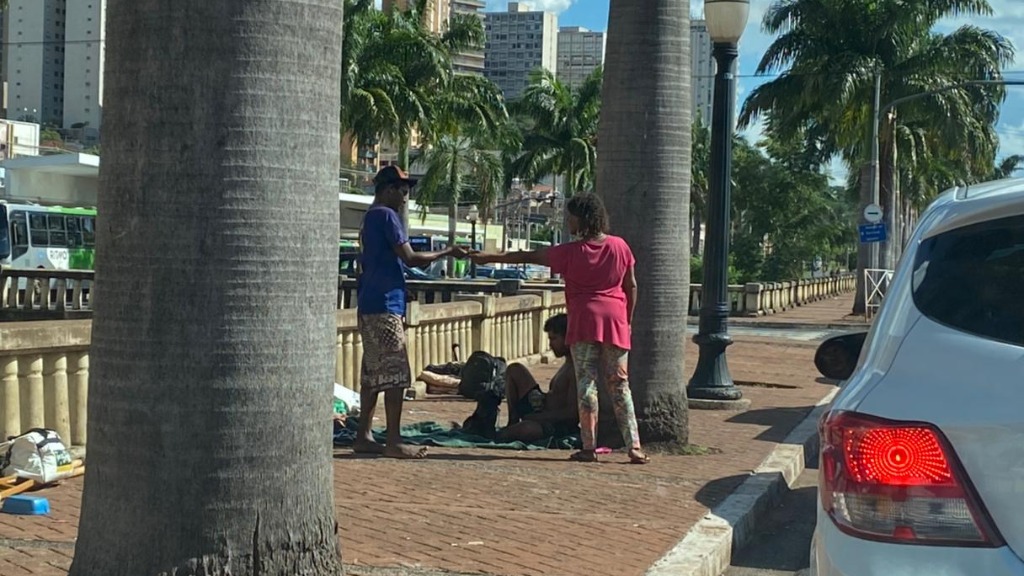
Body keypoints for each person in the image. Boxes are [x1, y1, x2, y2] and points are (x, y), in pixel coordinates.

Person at [470, 193, 649, 464]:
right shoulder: (620, 247)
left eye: (571, 217)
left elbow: (527, 256)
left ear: (583, 219)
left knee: (586, 386)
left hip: (584, 321)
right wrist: (628, 320)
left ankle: (589, 447)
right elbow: (631, 285)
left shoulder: (570, 253)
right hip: (615, 321)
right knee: (620, 386)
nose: (568, 222)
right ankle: (634, 447)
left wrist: (489, 257)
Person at [355, 165, 465, 459]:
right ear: (388, 189)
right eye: (402, 191)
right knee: (395, 374)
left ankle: (363, 435)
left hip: (369, 303)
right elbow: (411, 258)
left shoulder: (369, 219)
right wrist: (447, 251)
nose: (405, 198)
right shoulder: (387, 216)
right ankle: (393, 440)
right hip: (385, 306)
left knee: (372, 373)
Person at [497, 313, 578, 443]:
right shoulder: (566, 364)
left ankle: (500, 434)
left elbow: (572, 413)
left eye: (554, 339)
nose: (550, 345)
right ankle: (512, 421)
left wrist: (539, 417)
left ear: (568, 338)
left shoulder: (576, 370)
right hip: (541, 410)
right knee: (515, 369)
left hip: (555, 425)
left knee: (527, 430)